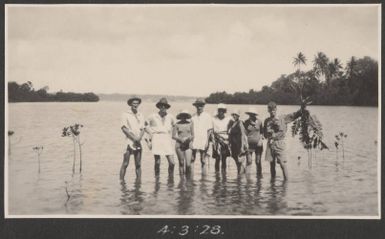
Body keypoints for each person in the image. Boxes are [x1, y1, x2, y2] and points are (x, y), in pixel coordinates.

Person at [263, 101, 304, 180]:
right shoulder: (266, 121)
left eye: (274, 110)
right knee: (272, 164)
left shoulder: (283, 118)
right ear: (268, 111)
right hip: (270, 144)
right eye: (270, 110)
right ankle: (273, 183)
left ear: (276, 109)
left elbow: (294, 115)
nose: (272, 112)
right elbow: (265, 134)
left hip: (280, 143)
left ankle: (286, 183)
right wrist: (268, 135)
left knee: (282, 164)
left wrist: (302, 109)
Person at [145, 98, 176, 176]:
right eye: (161, 106)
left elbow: (175, 125)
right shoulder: (152, 116)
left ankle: (170, 178)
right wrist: (150, 134)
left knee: (172, 163)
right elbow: (145, 125)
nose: (163, 107)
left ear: (167, 107)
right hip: (156, 138)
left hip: (166, 139)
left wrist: (173, 135)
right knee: (157, 162)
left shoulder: (170, 116)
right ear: (158, 107)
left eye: (165, 106)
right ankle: (157, 179)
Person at [120, 97, 145, 181]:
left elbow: (143, 128)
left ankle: (138, 183)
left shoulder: (140, 114)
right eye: (134, 103)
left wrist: (139, 138)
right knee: (125, 163)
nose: (135, 105)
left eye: (137, 103)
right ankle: (121, 183)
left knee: (138, 164)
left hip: (138, 141)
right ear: (130, 104)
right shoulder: (125, 114)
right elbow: (124, 128)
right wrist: (134, 138)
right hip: (129, 141)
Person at [191, 98, 213, 174]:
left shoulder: (207, 116)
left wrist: (207, 141)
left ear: (203, 106)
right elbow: (191, 130)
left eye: (201, 106)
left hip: (204, 140)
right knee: (192, 158)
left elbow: (209, 130)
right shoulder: (192, 116)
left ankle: (204, 179)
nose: (199, 107)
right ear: (195, 106)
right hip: (194, 140)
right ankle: (191, 178)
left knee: (203, 160)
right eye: (197, 106)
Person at [172, 110, 194, 176]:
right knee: (181, 163)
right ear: (180, 116)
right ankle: (181, 181)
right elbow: (173, 136)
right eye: (182, 115)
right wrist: (180, 139)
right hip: (179, 145)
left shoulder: (190, 124)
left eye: (185, 115)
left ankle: (188, 180)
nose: (183, 117)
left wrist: (189, 138)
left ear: (187, 116)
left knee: (188, 164)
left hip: (188, 144)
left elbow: (193, 135)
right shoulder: (176, 124)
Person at [211, 103, 231, 173]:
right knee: (217, 158)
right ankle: (217, 175)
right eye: (219, 110)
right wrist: (214, 140)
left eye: (222, 110)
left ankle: (224, 174)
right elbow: (211, 131)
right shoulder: (213, 119)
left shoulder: (229, 119)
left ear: (225, 111)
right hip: (216, 140)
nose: (221, 112)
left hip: (225, 141)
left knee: (224, 159)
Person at [244, 107, 264, 177]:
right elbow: (244, 134)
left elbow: (262, 133)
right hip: (249, 145)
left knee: (258, 162)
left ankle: (259, 177)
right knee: (249, 161)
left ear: (255, 115)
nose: (251, 116)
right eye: (250, 114)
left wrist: (260, 140)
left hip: (258, 145)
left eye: (253, 114)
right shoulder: (246, 122)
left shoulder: (260, 121)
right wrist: (245, 143)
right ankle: (247, 178)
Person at [228, 109, 248, 174]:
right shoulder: (232, 123)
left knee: (240, 162)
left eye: (235, 115)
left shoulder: (240, 123)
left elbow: (243, 135)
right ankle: (239, 178)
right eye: (233, 114)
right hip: (234, 146)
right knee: (237, 162)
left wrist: (242, 147)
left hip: (239, 145)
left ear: (238, 116)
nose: (234, 116)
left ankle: (241, 176)